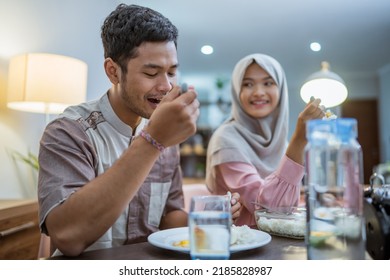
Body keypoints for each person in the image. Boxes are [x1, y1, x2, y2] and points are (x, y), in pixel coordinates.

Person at [37, 3, 241, 257]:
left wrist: (204, 218)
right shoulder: (69, 132)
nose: (166, 85)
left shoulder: (166, 133)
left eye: (172, 72)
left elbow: (168, 217)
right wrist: (153, 140)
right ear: (113, 71)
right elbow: (68, 236)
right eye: (151, 72)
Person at [205, 53, 324, 227]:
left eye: (268, 83)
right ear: (237, 91)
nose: (259, 92)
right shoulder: (225, 141)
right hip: (241, 248)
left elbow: (289, 203)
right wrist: (299, 140)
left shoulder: (280, 143)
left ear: (280, 89)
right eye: (247, 84)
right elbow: (270, 211)